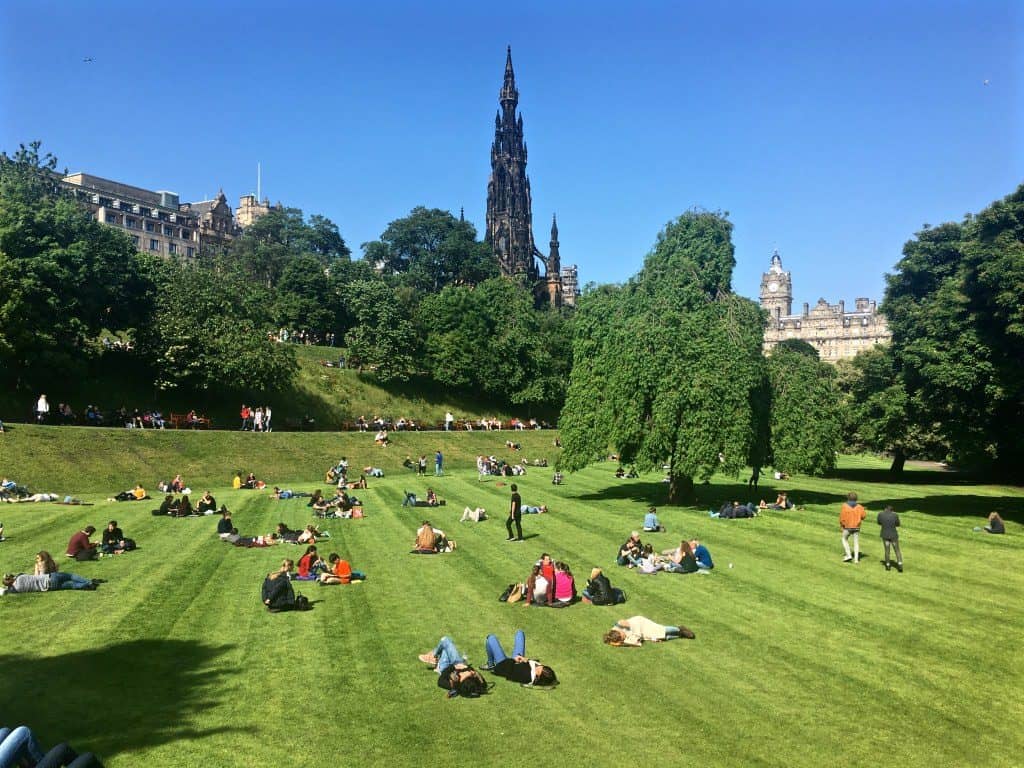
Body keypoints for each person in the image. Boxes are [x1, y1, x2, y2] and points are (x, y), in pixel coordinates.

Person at [418, 637, 489, 698]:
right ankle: (435, 656)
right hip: (458, 662)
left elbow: (440, 682)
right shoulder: (475, 683)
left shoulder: (453, 684)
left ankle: (434, 656)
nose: (465, 673)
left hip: (445, 667)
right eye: (468, 676)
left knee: (445, 640)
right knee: (446, 644)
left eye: (464, 676)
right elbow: (483, 684)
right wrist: (475, 673)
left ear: (460, 681)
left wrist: (453, 667)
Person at [484, 630, 558, 687]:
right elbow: (529, 664)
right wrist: (524, 659)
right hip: (517, 661)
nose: (540, 666)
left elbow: (509, 671)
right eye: (542, 666)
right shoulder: (537, 671)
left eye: (539, 669)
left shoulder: (526, 676)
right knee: (520, 633)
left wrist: (514, 660)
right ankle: (492, 663)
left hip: (504, 665)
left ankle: (490, 664)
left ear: (538, 675)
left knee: (490, 638)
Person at [603, 616, 696, 646]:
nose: (624, 638)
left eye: (623, 636)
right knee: (663, 638)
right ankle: (680, 635)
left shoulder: (620, 624)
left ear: (619, 632)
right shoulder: (614, 637)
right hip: (640, 633)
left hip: (640, 623)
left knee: (660, 629)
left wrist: (635, 636)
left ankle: (679, 629)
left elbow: (632, 626)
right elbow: (615, 643)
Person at [2, 570, 101, 594]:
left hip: (49, 587)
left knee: (71, 585)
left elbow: (10, 590)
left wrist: (7, 587)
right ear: (11, 579)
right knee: (70, 576)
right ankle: (89, 582)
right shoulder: (20, 577)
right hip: (49, 577)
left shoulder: (17, 589)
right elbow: (19, 574)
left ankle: (89, 585)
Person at [840, 492, 867, 563]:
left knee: (844, 539)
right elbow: (864, 516)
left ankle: (848, 555)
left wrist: (842, 525)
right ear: (856, 498)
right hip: (856, 527)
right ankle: (856, 559)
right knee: (856, 542)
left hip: (847, 527)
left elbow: (842, 517)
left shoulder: (844, 506)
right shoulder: (860, 507)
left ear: (848, 498)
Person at [877, 505, 903, 572]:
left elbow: (879, 522)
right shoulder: (895, 515)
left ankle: (888, 565)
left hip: (885, 534)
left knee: (887, 550)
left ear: (885, 509)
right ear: (892, 510)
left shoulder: (880, 514)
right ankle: (900, 565)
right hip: (893, 535)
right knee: (897, 550)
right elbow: (898, 524)